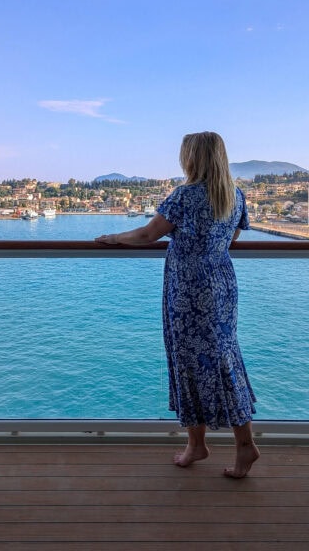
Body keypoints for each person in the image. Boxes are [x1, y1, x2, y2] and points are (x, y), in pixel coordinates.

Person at [95, 131, 259, 478]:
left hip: (187, 291)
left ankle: (216, 445)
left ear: (192, 159)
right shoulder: (235, 195)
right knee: (225, 359)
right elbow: (233, 237)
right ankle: (218, 444)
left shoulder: (184, 196)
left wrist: (112, 238)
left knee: (189, 362)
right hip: (222, 286)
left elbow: (147, 235)